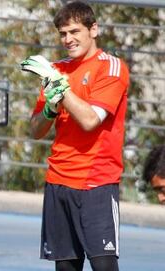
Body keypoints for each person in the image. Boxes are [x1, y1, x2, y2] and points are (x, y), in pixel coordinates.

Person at [26, 1, 129, 271]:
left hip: (96, 183)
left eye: (74, 31)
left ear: (93, 29)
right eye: (62, 33)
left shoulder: (112, 67)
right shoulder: (55, 70)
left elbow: (90, 120)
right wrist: (49, 107)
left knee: (104, 266)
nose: (68, 39)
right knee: (65, 267)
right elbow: (35, 131)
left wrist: (60, 88)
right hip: (58, 181)